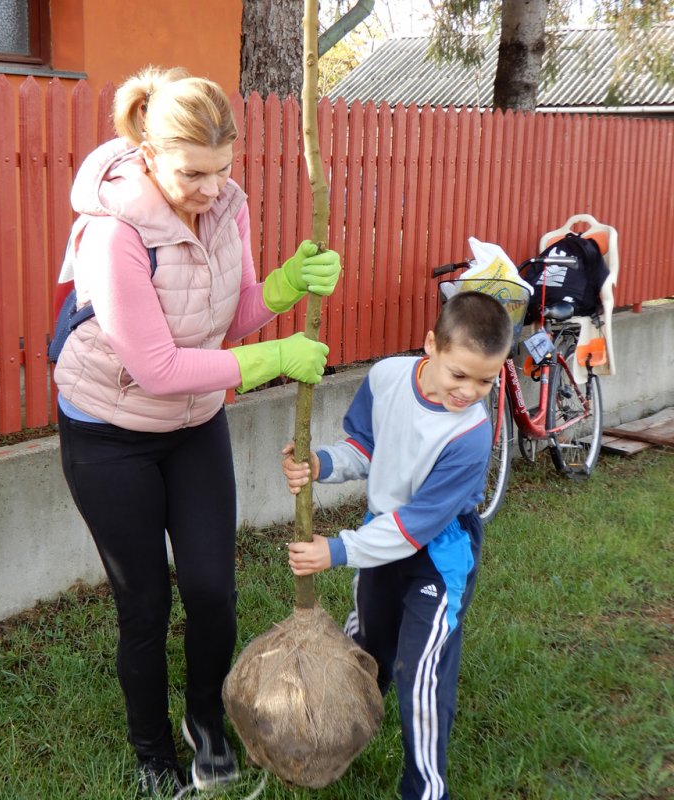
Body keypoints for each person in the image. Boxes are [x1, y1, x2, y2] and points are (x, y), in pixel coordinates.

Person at [53, 65, 340, 798]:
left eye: (223, 170)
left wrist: (283, 286)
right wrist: (277, 357)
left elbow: (225, 313)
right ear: (148, 153)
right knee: (144, 604)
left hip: (193, 425)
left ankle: (204, 721)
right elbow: (155, 365)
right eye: (193, 173)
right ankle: (153, 755)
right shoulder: (111, 234)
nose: (212, 188)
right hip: (111, 432)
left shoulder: (227, 206)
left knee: (213, 590)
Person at [281, 291, 513, 800]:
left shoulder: (472, 434)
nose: (470, 391)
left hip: (438, 552)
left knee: (419, 674)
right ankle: (338, 739)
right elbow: (365, 446)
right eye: (459, 374)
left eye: (486, 380)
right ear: (431, 345)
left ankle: (426, 788)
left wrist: (338, 549)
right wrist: (321, 463)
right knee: (364, 651)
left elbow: (417, 524)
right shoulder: (387, 377)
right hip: (382, 533)